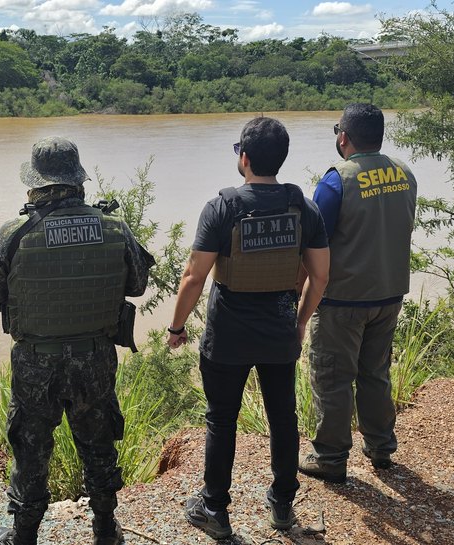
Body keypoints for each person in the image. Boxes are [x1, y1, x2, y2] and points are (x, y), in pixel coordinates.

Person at [0, 136, 153, 545]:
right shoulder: (113, 226)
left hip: (36, 362)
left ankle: (23, 535)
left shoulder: (14, 232)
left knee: (31, 450)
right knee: (98, 442)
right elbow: (139, 284)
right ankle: (105, 529)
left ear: (36, 184)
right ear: (78, 181)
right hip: (94, 358)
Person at [166, 117, 329, 539]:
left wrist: (176, 327)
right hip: (279, 332)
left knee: (221, 420)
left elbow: (193, 277)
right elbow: (321, 276)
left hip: (227, 339)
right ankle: (282, 507)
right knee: (283, 418)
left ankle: (215, 511)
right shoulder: (303, 207)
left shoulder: (221, 208)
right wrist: (299, 323)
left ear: (244, 158)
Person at [298, 103, 418, 484]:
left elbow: (313, 249)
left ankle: (331, 458)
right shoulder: (405, 173)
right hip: (390, 294)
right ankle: (381, 447)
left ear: (343, 136)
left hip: (343, 301)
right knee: (375, 373)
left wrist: (297, 305)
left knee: (332, 378)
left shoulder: (337, 181)